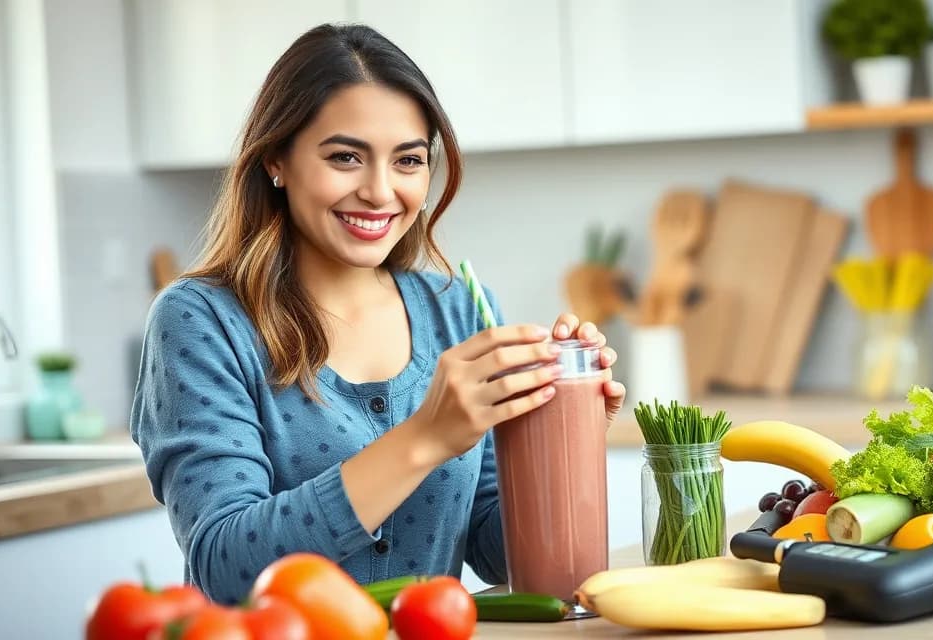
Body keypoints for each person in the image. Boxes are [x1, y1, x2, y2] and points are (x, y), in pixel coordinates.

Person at [130, 23, 625, 605]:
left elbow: (498, 552)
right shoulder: (201, 321)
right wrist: (425, 437)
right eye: (346, 157)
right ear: (276, 161)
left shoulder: (459, 310)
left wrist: (558, 431)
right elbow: (226, 566)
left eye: (408, 160)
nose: (380, 191)